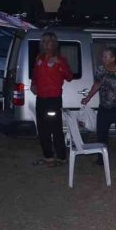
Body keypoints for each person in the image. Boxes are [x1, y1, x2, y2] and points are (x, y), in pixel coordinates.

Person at [82, 47, 116, 166]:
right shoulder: (100, 70)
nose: (103, 58)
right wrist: (88, 97)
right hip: (105, 107)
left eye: (105, 56)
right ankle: (101, 159)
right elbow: (97, 84)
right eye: (103, 56)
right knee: (101, 133)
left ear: (113, 58)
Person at [31, 31, 73, 167]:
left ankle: (61, 158)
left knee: (55, 129)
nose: (45, 44)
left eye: (48, 41)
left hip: (53, 100)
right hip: (41, 99)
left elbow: (69, 77)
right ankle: (48, 157)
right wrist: (33, 84)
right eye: (43, 41)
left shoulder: (60, 59)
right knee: (42, 129)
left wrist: (59, 63)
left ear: (54, 44)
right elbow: (35, 75)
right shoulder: (39, 58)